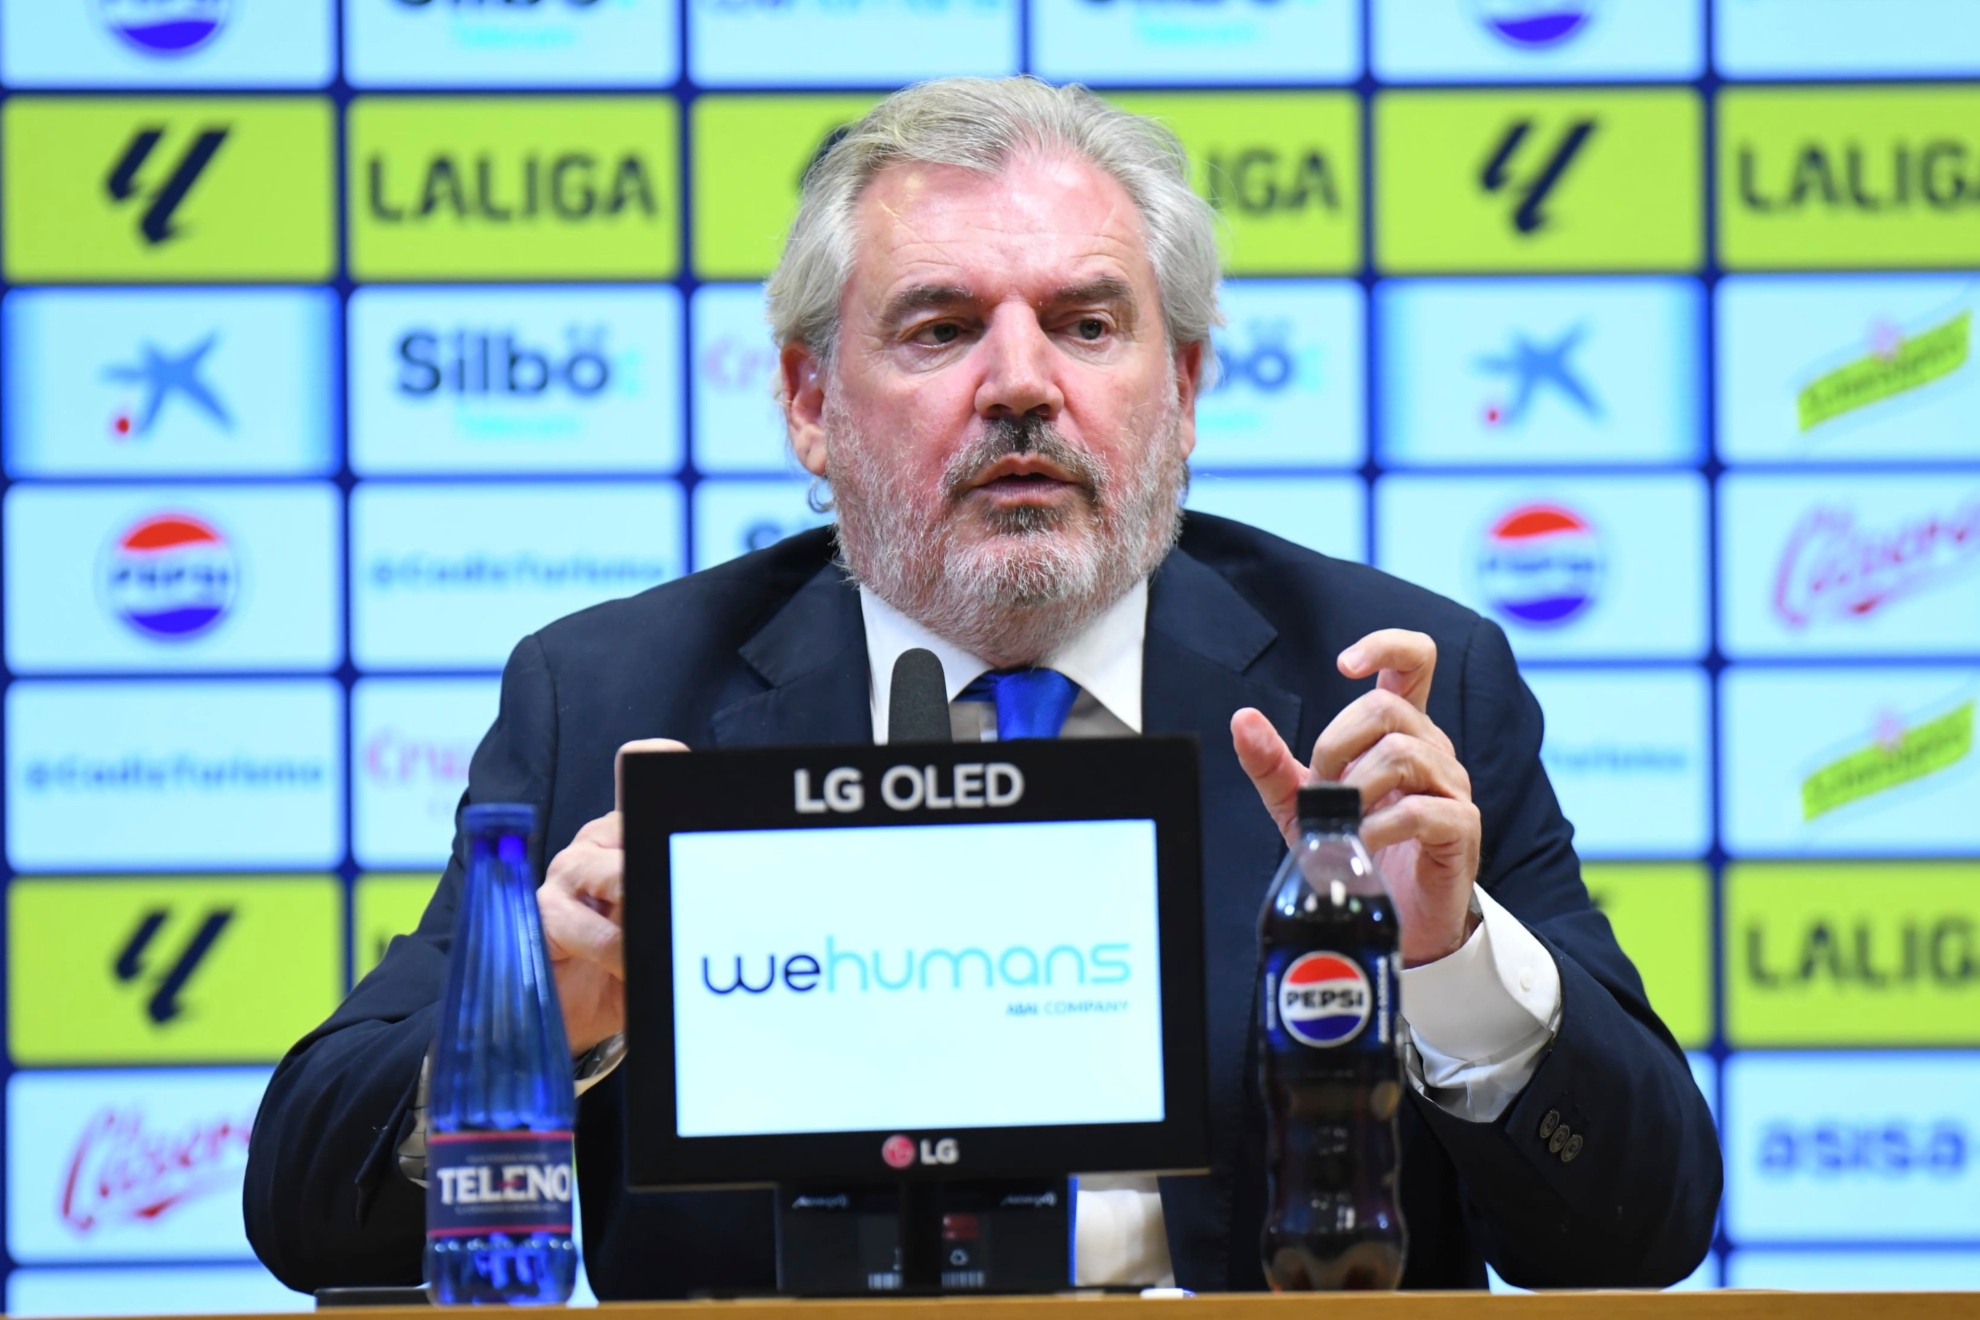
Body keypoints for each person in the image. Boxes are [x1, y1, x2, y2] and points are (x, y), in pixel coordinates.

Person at [245, 76, 1720, 1296]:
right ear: (811, 403)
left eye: (1087, 324)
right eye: (942, 328)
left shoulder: (1389, 684)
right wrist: (543, 1026)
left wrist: (1453, 955)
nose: (1021, 384)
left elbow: (1640, 1231)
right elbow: (308, 1208)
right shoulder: (621, 698)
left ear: (1186, 390)